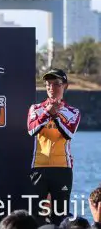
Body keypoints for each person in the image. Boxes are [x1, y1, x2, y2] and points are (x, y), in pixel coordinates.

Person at [27, 68, 81, 226]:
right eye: (48, 84)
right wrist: (47, 113)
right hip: (39, 166)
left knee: (61, 215)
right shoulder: (36, 108)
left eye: (56, 84)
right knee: (36, 215)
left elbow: (68, 133)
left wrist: (55, 115)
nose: (52, 88)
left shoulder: (73, 111)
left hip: (62, 168)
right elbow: (31, 130)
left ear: (65, 86)